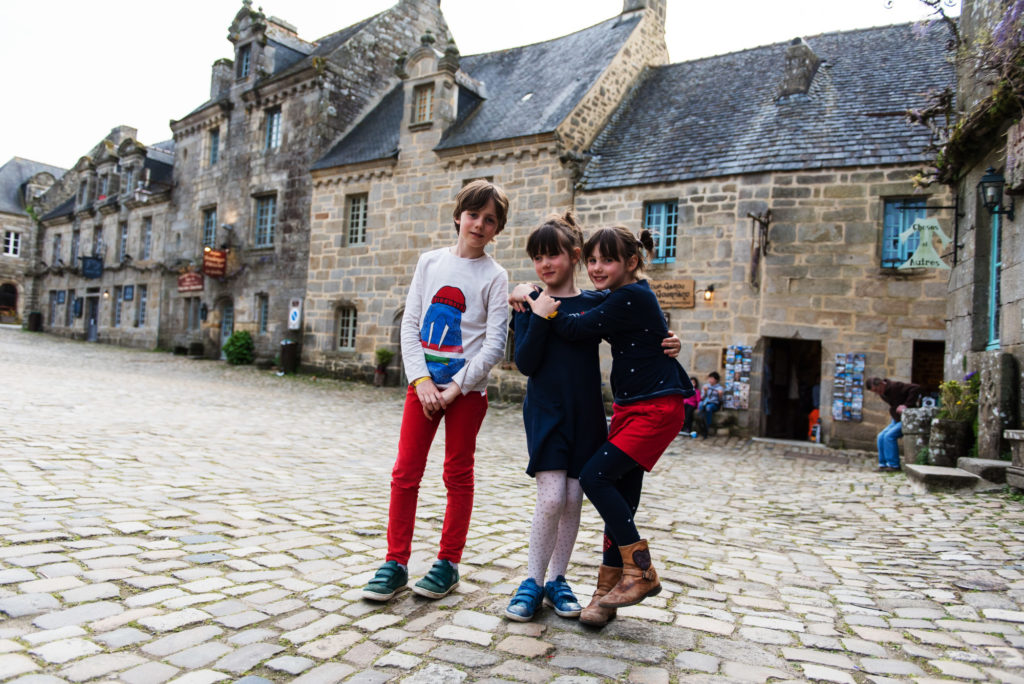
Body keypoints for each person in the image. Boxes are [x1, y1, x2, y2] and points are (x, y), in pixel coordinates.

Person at [505, 214, 681, 623]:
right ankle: (532, 581)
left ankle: (560, 580)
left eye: (553, 254)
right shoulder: (530, 300)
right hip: (547, 413)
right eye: (537, 257)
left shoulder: (597, 300)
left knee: (574, 499)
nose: (545, 264)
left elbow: (636, 314)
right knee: (551, 499)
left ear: (574, 256)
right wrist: (530, 302)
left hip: (587, 413)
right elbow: (526, 362)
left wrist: (671, 338)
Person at [361, 179, 510, 602]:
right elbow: (411, 324)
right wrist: (421, 380)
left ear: (497, 230)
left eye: (489, 220)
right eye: (473, 215)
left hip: (467, 395)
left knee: (457, 474)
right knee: (405, 473)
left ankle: (448, 562)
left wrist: (456, 389)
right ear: (458, 217)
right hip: (422, 389)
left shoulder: (495, 277)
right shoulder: (429, 264)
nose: (479, 224)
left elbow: (494, 344)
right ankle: (395, 562)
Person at [865, 376, 921, 472]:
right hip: (896, 419)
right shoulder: (883, 393)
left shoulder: (896, 386)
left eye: (877, 390)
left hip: (907, 419)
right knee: (881, 436)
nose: (877, 393)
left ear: (881, 383)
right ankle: (883, 464)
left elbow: (915, 387)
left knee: (889, 436)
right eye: (874, 392)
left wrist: (906, 405)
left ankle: (894, 465)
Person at [695, 372, 723, 438]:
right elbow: (702, 398)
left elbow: (720, 401)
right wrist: (705, 392)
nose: (710, 380)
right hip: (705, 402)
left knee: (708, 407)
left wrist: (720, 395)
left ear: (716, 380)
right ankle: (700, 422)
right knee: (700, 404)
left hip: (714, 404)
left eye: (712, 378)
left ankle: (707, 426)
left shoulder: (720, 388)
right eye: (709, 378)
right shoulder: (706, 386)